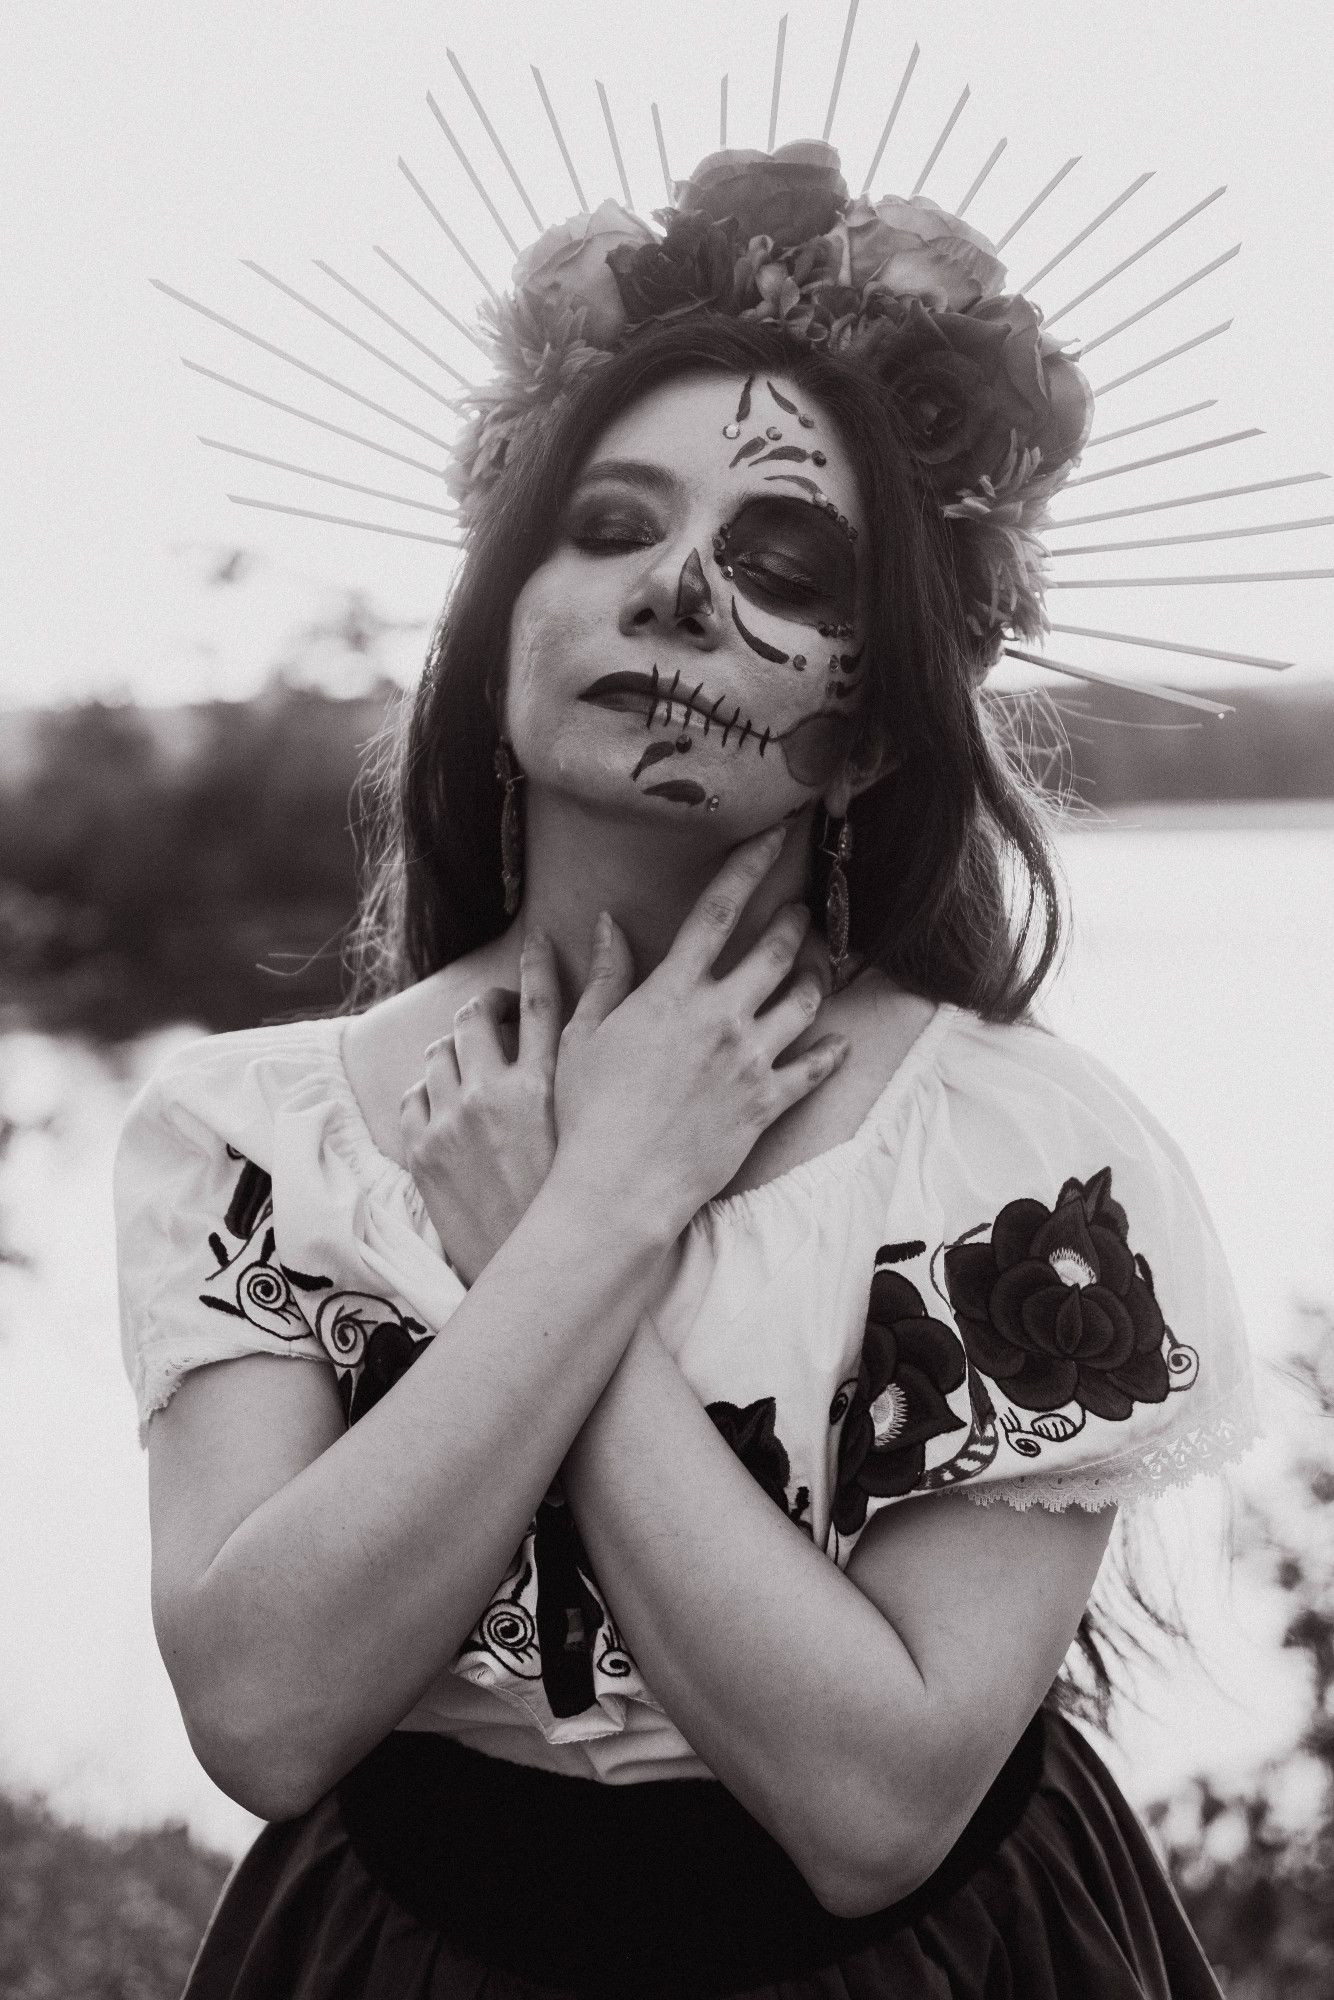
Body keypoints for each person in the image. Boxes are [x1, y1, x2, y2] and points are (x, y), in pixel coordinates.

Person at [115, 144, 1256, 1999]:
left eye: (781, 559)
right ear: (501, 614)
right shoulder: (257, 1143)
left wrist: (570, 1229)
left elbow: (874, 1807)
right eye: (609, 523)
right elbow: (261, 1714)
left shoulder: (1016, 1164)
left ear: (879, 722)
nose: (675, 592)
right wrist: (604, 1210)